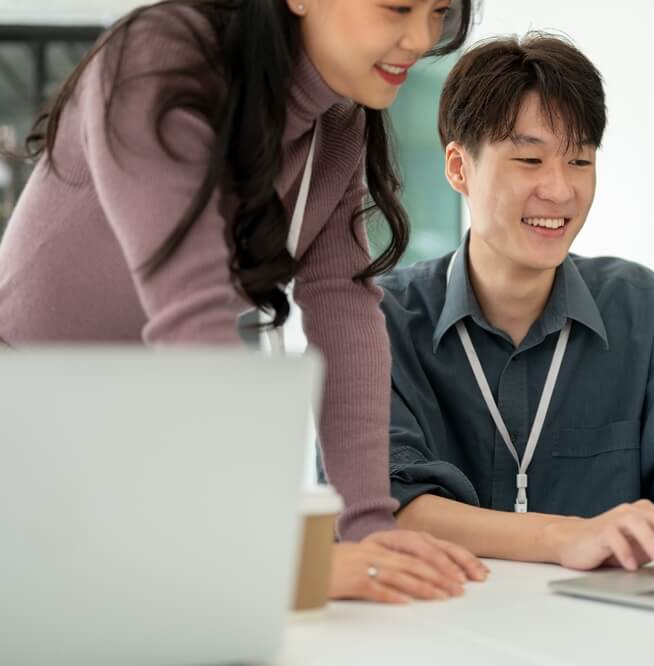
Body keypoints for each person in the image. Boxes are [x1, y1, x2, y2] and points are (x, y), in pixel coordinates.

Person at [0, 0, 488, 604]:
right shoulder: (162, 57)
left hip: (129, 436)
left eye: (439, 10)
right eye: (397, 7)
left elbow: (345, 310)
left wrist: (367, 527)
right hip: (22, 430)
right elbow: (194, 314)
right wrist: (268, 554)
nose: (421, 38)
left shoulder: (338, 123)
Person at [379, 33, 654, 574]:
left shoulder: (640, 307)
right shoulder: (383, 320)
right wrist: (564, 535)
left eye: (579, 160)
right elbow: (385, 503)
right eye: (529, 159)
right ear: (459, 167)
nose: (559, 190)